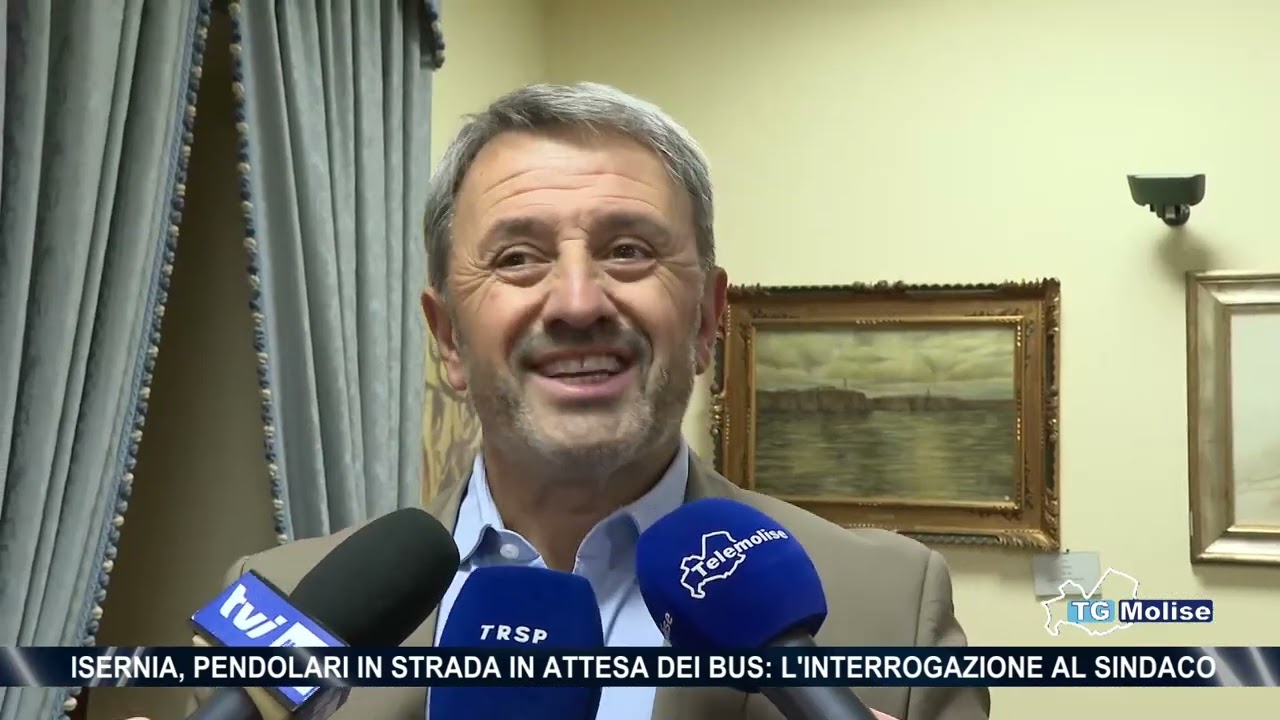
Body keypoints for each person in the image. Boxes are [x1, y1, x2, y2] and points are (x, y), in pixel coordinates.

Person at [172, 82, 991, 720]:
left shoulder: (893, 606)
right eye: (517, 258)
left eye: (628, 251)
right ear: (448, 338)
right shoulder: (278, 605)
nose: (575, 302)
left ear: (707, 320)